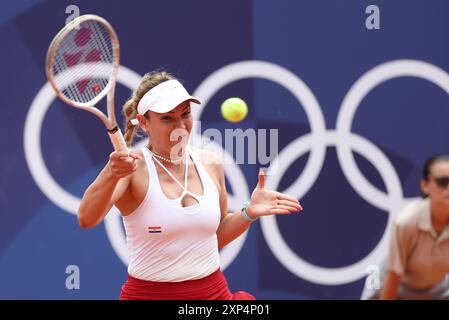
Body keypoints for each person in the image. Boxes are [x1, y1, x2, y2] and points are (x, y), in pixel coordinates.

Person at [77, 71, 303, 300]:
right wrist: (111, 173)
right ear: (144, 123)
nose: (180, 126)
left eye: (185, 114)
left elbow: (214, 236)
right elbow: (87, 218)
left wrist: (248, 212)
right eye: (167, 118)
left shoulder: (211, 162)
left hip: (214, 295)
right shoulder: (131, 170)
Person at [362, 155, 449, 300]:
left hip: (437, 290)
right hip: (389, 286)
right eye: (442, 182)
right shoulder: (407, 222)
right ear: (425, 186)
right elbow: (393, 279)